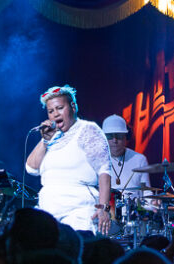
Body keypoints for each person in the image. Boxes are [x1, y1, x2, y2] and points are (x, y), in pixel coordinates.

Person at [24, 85, 112, 235]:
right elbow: (31, 169)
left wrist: (103, 208)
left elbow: (104, 171)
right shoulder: (52, 137)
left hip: (79, 210)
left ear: (73, 106)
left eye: (59, 108)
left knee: (75, 251)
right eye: (51, 111)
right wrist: (45, 141)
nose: (55, 114)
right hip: (48, 211)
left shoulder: (87, 129)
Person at [101, 114, 149, 206]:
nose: (114, 140)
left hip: (133, 216)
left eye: (118, 136)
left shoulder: (140, 160)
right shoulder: (96, 160)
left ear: (126, 137)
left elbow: (146, 193)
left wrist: (153, 203)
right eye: (110, 136)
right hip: (106, 215)